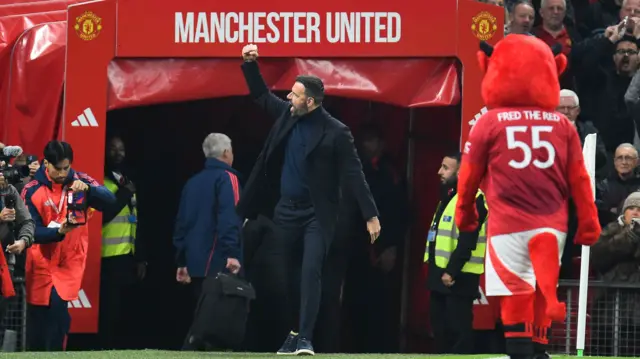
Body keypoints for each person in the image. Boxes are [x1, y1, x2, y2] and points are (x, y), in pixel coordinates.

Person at [455, 36, 601, 359]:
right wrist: (589, 221)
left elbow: (468, 176)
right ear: (553, 70)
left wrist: (465, 212)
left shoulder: (489, 122)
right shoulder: (563, 125)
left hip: (508, 222)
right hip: (553, 222)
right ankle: (541, 346)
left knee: (515, 291)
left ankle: (520, 353)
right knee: (537, 285)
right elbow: (579, 178)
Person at [237, 44, 381, 356]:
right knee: (286, 278)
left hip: (318, 214)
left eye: (294, 94)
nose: (288, 98)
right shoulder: (287, 116)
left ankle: (305, 337)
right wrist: (250, 65)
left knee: (311, 271)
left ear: (310, 102)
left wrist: (371, 214)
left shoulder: (336, 132)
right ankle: (293, 332)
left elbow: (355, 174)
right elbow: (262, 97)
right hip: (286, 212)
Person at [22, 140, 116, 351]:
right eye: (58, 169)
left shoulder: (80, 180)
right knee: (37, 325)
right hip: (40, 261)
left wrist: (90, 190)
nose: (63, 173)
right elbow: (31, 231)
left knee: (58, 313)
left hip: (69, 261)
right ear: (46, 163)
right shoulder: (31, 189)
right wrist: (58, 232)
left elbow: (110, 201)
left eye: (67, 168)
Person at [173, 133, 242, 350]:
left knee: (200, 317)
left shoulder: (192, 182)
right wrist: (232, 253)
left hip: (193, 263)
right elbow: (229, 217)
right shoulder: (227, 178)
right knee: (216, 326)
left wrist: (181, 261)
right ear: (225, 153)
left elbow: (181, 223)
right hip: (219, 260)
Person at [425, 153, 488, 354]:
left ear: (461, 171)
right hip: (441, 278)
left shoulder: (474, 200)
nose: (439, 172)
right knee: (441, 335)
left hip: (458, 279)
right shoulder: (450, 196)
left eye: (446, 168)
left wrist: (451, 271)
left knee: (458, 336)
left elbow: (467, 241)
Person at [98, 136, 147, 349]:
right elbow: (104, 214)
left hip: (127, 255)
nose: (119, 154)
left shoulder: (126, 180)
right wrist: (125, 193)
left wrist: (141, 257)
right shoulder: (100, 181)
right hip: (106, 257)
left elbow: (136, 220)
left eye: (122, 149)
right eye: (113, 149)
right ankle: (105, 347)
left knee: (125, 310)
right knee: (108, 310)